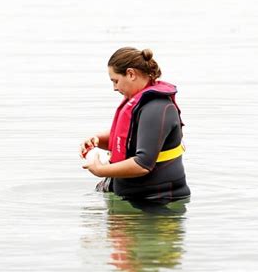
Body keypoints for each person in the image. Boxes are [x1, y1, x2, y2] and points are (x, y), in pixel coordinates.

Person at [80, 47, 191, 201]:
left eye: (115, 81)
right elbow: (130, 141)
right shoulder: (141, 104)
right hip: (133, 198)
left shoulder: (157, 108)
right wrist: (99, 140)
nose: (114, 88)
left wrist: (101, 170)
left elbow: (142, 164)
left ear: (131, 74)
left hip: (156, 204)